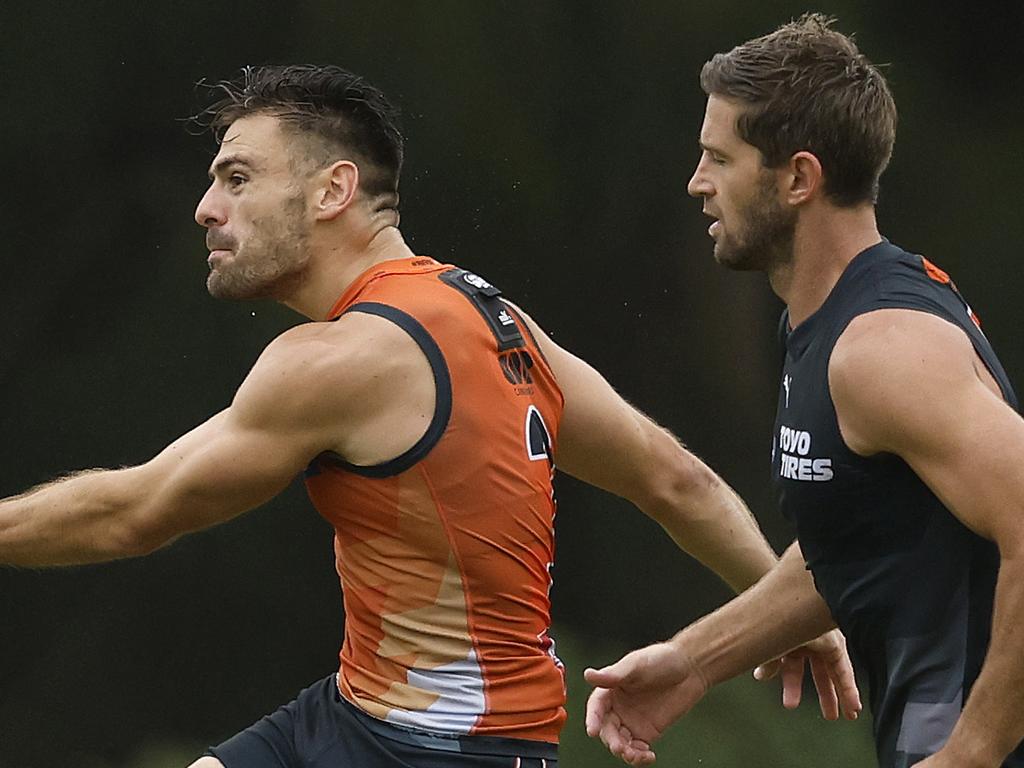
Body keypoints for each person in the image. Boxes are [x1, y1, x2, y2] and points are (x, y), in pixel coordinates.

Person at [0, 65, 853, 768]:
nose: (207, 208)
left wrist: (787, 612)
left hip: (447, 752)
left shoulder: (342, 360)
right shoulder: (497, 319)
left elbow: (137, 514)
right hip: (356, 715)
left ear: (335, 189)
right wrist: (785, 609)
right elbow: (678, 480)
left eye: (237, 178)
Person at [583, 13, 1024, 768]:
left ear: (797, 179)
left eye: (719, 158)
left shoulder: (880, 351)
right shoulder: (823, 325)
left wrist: (974, 751)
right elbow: (852, 543)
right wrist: (693, 662)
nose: (698, 183)